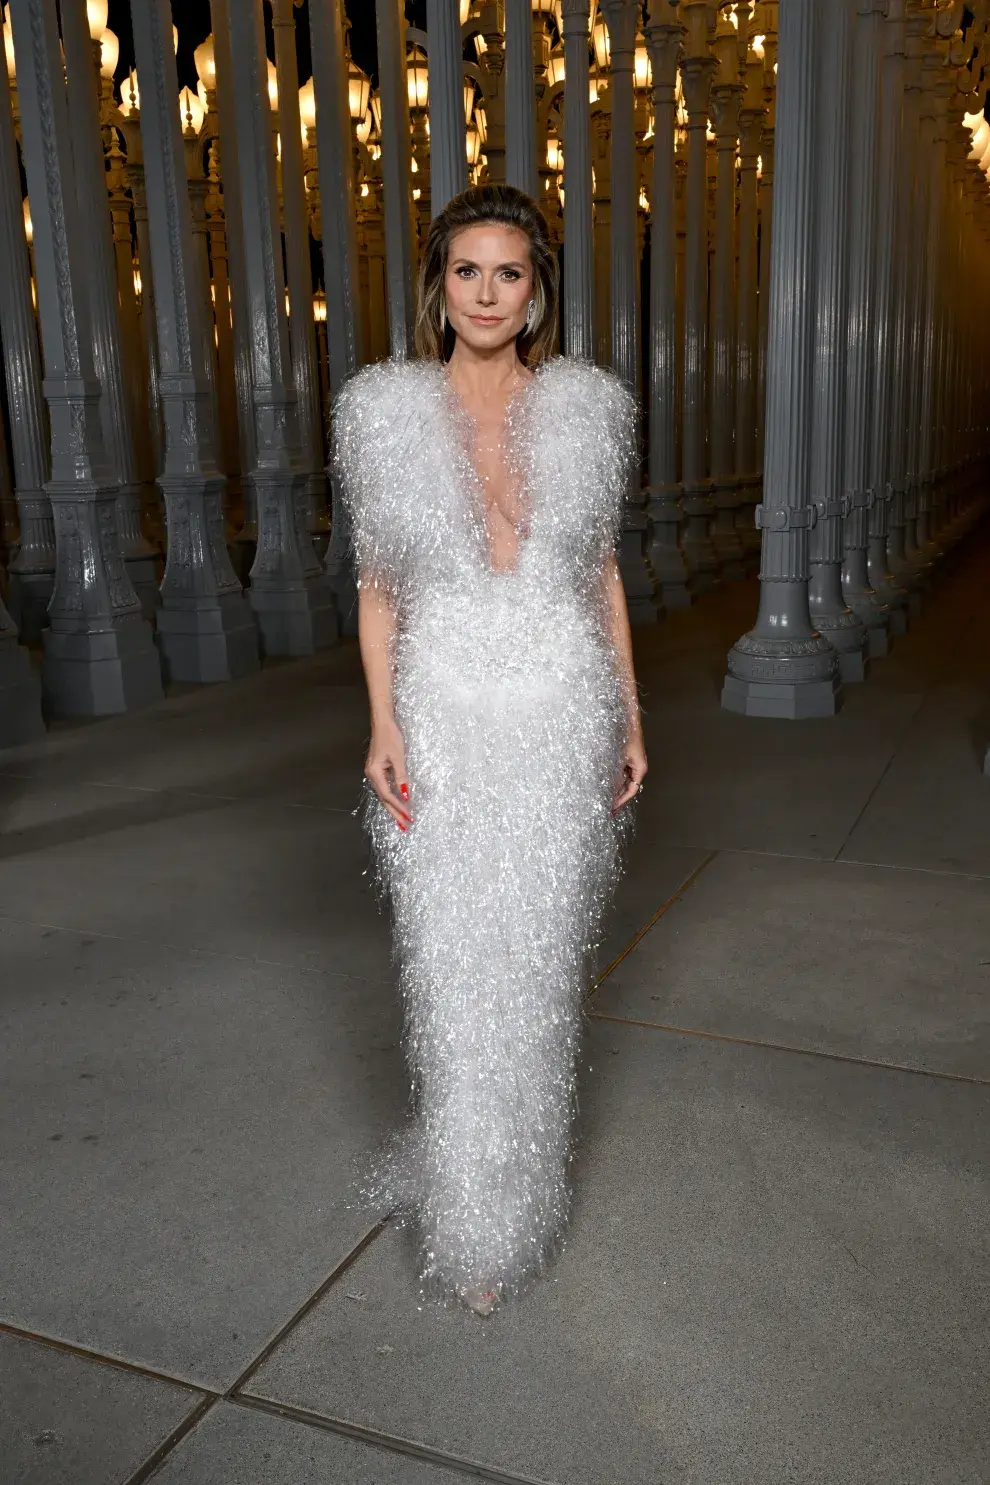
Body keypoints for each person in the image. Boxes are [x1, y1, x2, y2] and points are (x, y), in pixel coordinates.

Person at [333, 184, 647, 1317]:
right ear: (440, 281)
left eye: (509, 273)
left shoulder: (586, 410)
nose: (486, 293)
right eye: (468, 270)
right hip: (447, 708)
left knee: (539, 963)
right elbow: (379, 590)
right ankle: (475, 1218)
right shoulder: (383, 413)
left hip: (558, 706)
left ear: (535, 289)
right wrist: (383, 722)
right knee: (455, 968)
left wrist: (630, 715)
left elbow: (599, 572)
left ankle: (516, 1185)